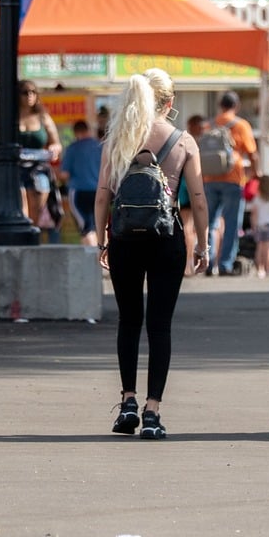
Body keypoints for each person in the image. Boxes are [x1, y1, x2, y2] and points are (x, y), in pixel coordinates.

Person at [95, 68, 208, 440]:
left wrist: (102, 240)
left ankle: (127, 401)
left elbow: (102, 195)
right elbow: (200, 199)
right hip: (166, 238)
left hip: (125, 238)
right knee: (159, 326)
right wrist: (203, 244)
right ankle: (152, 412)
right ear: (170, 103)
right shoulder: (184, 141)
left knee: (128, 321)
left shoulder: (118, 138)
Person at [0, 82, 64, 241]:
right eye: (25, 92)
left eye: (33, 92)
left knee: (38, 208)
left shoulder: (43, 116)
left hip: (39, 168)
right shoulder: (6, 118)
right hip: (14, 168)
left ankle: (32, 241)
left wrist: (54, 150)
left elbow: (56, 143)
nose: (30, 95)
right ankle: (23, 241)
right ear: (17, 95)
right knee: (22, 209)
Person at [199, 91, 258, 276]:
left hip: (209, 179)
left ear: (220, 105)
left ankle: (208, 263)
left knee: (210, 223)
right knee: (232, 223)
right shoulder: (241, 125)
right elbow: (252, 153)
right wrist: (253, 173)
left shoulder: (210, 124)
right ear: (237, 106)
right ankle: (225, 264)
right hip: (233, 179)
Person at [59, 118, 103, 246]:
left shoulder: (73, 148)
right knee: (99, 226)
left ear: (75, 132)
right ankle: (102, 258)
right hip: (99, 192)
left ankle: (91, 260)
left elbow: (64, 174)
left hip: (79, 192)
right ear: (88, 130)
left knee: (86, 228)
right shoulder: (100, 147)